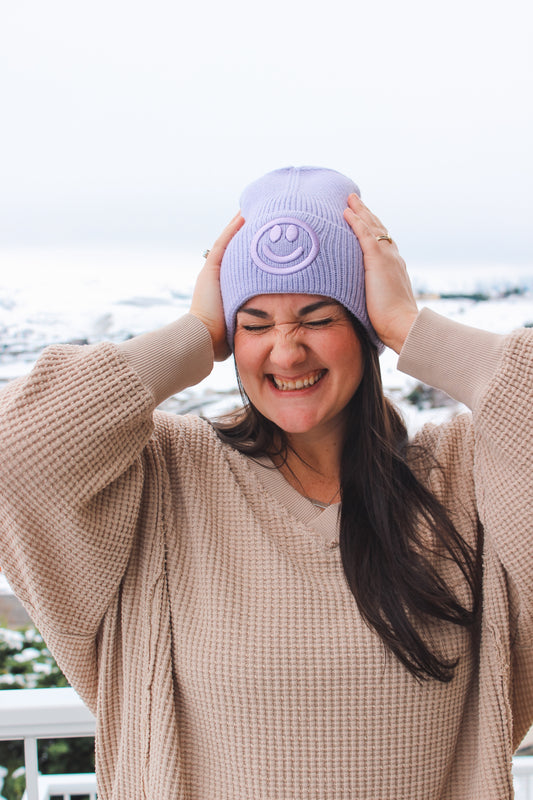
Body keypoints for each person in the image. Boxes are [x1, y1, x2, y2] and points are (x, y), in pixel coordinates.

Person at [0, 166, 531, 800]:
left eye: (318, 317)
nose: (286, 352)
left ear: (365, 332)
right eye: (254, 324)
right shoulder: (167, 478)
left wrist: (412, 328)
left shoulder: (462, 479)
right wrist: (194, 336)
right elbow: (17, 455)